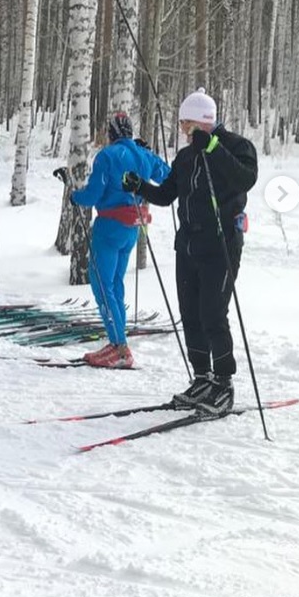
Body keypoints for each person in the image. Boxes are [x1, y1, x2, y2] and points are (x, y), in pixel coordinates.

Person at [123, 88, 258, 413]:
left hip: (221, 244)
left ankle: (224, 383)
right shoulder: (185, 156)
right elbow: (168, 194)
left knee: (213, 312)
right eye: (182, 124)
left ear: (203, 122)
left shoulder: (236, 145)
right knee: (191, 315)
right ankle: (202, 378)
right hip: (188, 246)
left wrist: (213, 148)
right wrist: (140, 187)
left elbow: (245, 179)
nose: (183, 131)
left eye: (187, 124)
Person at [59, 112, 170, 369]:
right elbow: (167, 175)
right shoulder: (144, 155)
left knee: (101, 285)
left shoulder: (107, 156)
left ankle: (119, 347)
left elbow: (94, 195)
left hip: (109, 226)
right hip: (132, 228)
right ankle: (118, 342)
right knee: (115, 284)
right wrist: (150, 153)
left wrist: (75, 197)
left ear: (111, 133)